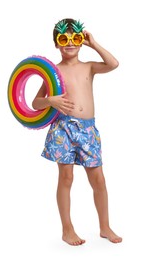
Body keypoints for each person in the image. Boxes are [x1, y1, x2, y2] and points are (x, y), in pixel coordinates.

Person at [32, 18, 122, 246]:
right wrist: (49, 100)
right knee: (66, 177)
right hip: (63, 129)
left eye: (75, 39)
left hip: (88, 130)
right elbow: (35, 104)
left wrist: (94, 43)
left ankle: (105, 226)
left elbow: (113, 64)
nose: (70, 43)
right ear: (56, 43)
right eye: (64, 39)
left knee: (99, 179)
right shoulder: (53, 72)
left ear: (81, 41)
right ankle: (67, 229)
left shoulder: (89, 66)